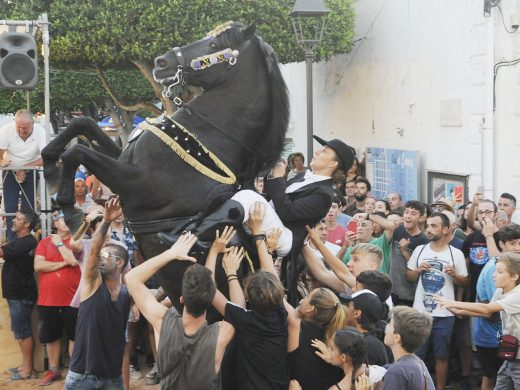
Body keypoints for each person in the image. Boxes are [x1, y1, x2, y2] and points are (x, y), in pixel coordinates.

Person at [126, 231, 235, 390]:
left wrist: (171, 253)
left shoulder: (163, 322)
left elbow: (131, 278)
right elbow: (237, 310)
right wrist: (216, 256)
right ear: (211, 301)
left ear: (181, 299)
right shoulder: (222, 333)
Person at [265, 135, 355, 304]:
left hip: (284, 238)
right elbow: (274, 196)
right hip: (269, 222)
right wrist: (273, 176)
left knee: (246, 197)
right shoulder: (302, 176)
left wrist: (277, 179)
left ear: (332, 164)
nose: (318, 151)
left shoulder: (324, 194)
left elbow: (286, 211)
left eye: (324, 151)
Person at [64, 198, 131, 390]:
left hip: (112, 377)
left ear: (118, 263)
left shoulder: (126, 292)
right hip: (89, 299)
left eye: (106, 256)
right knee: (86, 340)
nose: (101, 257)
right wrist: (100, 221)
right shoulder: (90, 248)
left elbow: (131, 278)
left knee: (117, 343)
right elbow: (87, 247)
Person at [435, 252, 520, 390]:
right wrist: (461, 312)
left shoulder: (517, 295)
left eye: (499, 272)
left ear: (515, 276)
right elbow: (489, 313)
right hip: (511, 356)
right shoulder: (501, 291)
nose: (494, 275)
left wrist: (453, 303)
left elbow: (486, 309)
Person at [405, 212, 468, 390]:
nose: (429, 230)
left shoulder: (455, 253)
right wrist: (417, 270)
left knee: (442, 355)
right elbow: (408, 277)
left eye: (434, 226)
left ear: (445, 229)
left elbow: (465, 281)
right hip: (420, 314)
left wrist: (454, 274)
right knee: (417, 355)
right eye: (428, 226)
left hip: (445, 313)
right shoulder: (420, 250)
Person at [34, 210, 84, 386]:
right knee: (52, 336)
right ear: (55, 224)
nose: (65, 221)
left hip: (74, 298)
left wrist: (61, 246)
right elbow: (39, 265)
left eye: (67, 218)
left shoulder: (77, 242)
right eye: (61, 219)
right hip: (49, 299)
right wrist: (62, 263)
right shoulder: (45, 242)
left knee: (74, 336)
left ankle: (74, 372)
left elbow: (73, 261)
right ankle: (54, 370)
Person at [0, 209, 39, 380]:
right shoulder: (23, 241)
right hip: (17, 293)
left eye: (18, 218)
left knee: (23, 331)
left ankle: (28, 369)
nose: (13, 220)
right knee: (19, 330)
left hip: (21, 293)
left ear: (27, 224)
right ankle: (25, 365)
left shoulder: (27, 241)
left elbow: (2, 252)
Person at [0, 109, 46, 242]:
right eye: (19, 127)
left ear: (33, 124)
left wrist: (24, 168)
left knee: (28, 210)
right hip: (10, 169)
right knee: (10, 208)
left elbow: (45, 157)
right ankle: (13, 242)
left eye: (25, 128)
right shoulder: (6, 130)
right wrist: (13, 168)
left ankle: (26, 241)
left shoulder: (40, 131)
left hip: (31, 170)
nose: (22, 130)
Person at [382, 306, 435, 390]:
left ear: (397, 337)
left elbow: (395, 371)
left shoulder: (396, 372)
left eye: (390, 324)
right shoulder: (418, 362)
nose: (386, 326)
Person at [390, 200, 429, 307]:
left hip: (408, 294)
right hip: (391, 289)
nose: (408, 216)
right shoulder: (397, 230)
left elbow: (417, 269)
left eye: (413, 213)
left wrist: (404, 251)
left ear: (421, 218)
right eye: (407, 212)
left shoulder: (424, 241)